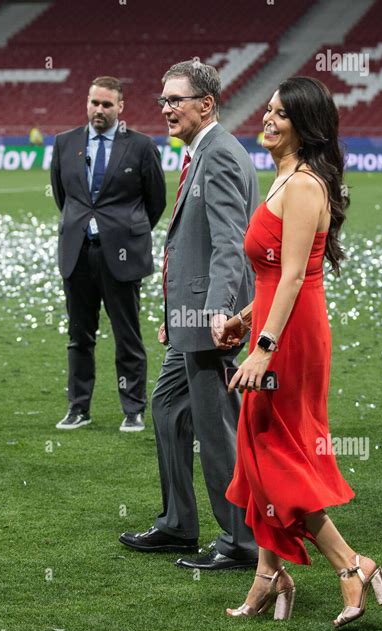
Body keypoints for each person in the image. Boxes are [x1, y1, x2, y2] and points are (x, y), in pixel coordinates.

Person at [218, 77, 382, 625]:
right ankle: (269, 576)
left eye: (281, 114)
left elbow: (295, 276)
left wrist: (262, 348)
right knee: (259, 447)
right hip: (273, 325)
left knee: (279, 454)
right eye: (267, 110)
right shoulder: (283, 179)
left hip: (290, 338)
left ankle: (351, 563)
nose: (267, 120)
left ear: (305, 125)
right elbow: (273, 277)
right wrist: (243, 322)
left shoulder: (304, 186)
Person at [119, 60, 259, 569]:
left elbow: (228, 245)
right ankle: (179, 524)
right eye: (162, 99)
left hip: (209, 324)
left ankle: (241, 544)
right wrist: (177, 314)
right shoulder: (203, 153)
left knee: (215, 430)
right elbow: (195, 247)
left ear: (206, 104)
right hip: (191, 319)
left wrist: (217, 315)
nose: (165, 108)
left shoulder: (218, 155)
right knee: (166, 410)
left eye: (175, 99)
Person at [51, 76, 166, 432]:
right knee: (78, 336)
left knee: (127, 336)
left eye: (106, 104)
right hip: (79, 254)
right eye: (94, 103)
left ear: (120, 107)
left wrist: (125, 230)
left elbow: (155, 202)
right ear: (87, 103)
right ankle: (78, 408)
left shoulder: (141, 147)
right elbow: (63, 197)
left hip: (122, 255)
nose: (99, 110)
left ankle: (133, 409)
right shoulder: (65, 143)